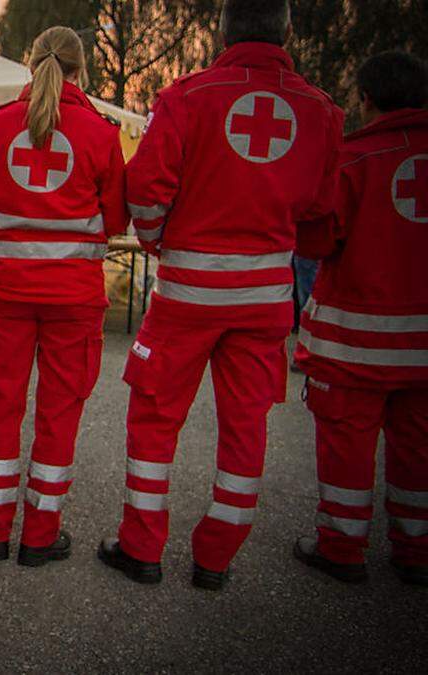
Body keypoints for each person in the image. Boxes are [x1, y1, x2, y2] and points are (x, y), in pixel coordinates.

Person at [97, 0, 343, 590]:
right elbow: (322, 218)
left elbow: (147, 187)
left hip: (187, 293)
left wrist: (159, 242)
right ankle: (215, 558)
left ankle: (142, 548)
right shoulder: (323, 113)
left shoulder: (186, 97)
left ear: (224, 32)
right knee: (246, 426)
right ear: (286, 30)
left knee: (154, 417)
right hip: (264, 300)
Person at [0, 26, 127, 567]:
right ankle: (39, 537)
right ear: (81, 71)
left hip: (6, 296)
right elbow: (117, 218)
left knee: (0, 406)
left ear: (30, 66)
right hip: (74, 303)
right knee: (59, 414)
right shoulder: (101, 133)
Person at [291, 51, 428, 587]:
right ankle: (416, 548)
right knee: (418, 444)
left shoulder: (354, 159)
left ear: (367, 99)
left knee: (347, 442)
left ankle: (342, 546)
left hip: (356, 338)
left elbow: (319, 239)